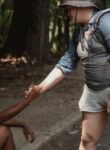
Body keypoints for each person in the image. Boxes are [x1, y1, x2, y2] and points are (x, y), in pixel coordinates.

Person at [25, 0, 110, 150]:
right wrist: (40, 88)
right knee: (87, 140)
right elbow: (66, 63)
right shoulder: (80, 30)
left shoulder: (105, 21)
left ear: (80, 6)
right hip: (93, 92)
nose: (67, 14)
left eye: (68, 9)